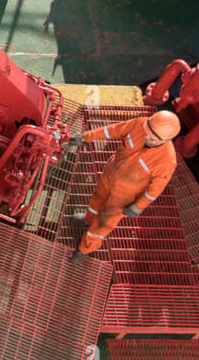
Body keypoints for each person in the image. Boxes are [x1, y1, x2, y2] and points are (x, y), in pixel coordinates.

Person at [69, 110, 180, 260]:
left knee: (104, 221)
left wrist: (139, 206)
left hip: (124, 195)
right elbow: (112, 130)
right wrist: (85, 137)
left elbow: (155, 189)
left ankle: (85, 249)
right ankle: (87, 220)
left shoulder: (166, 160)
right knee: (96, 199)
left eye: (153, 139)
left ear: (166, 140)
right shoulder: (140, 124)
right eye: (147, 133)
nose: (147, 138)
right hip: (110, 175)